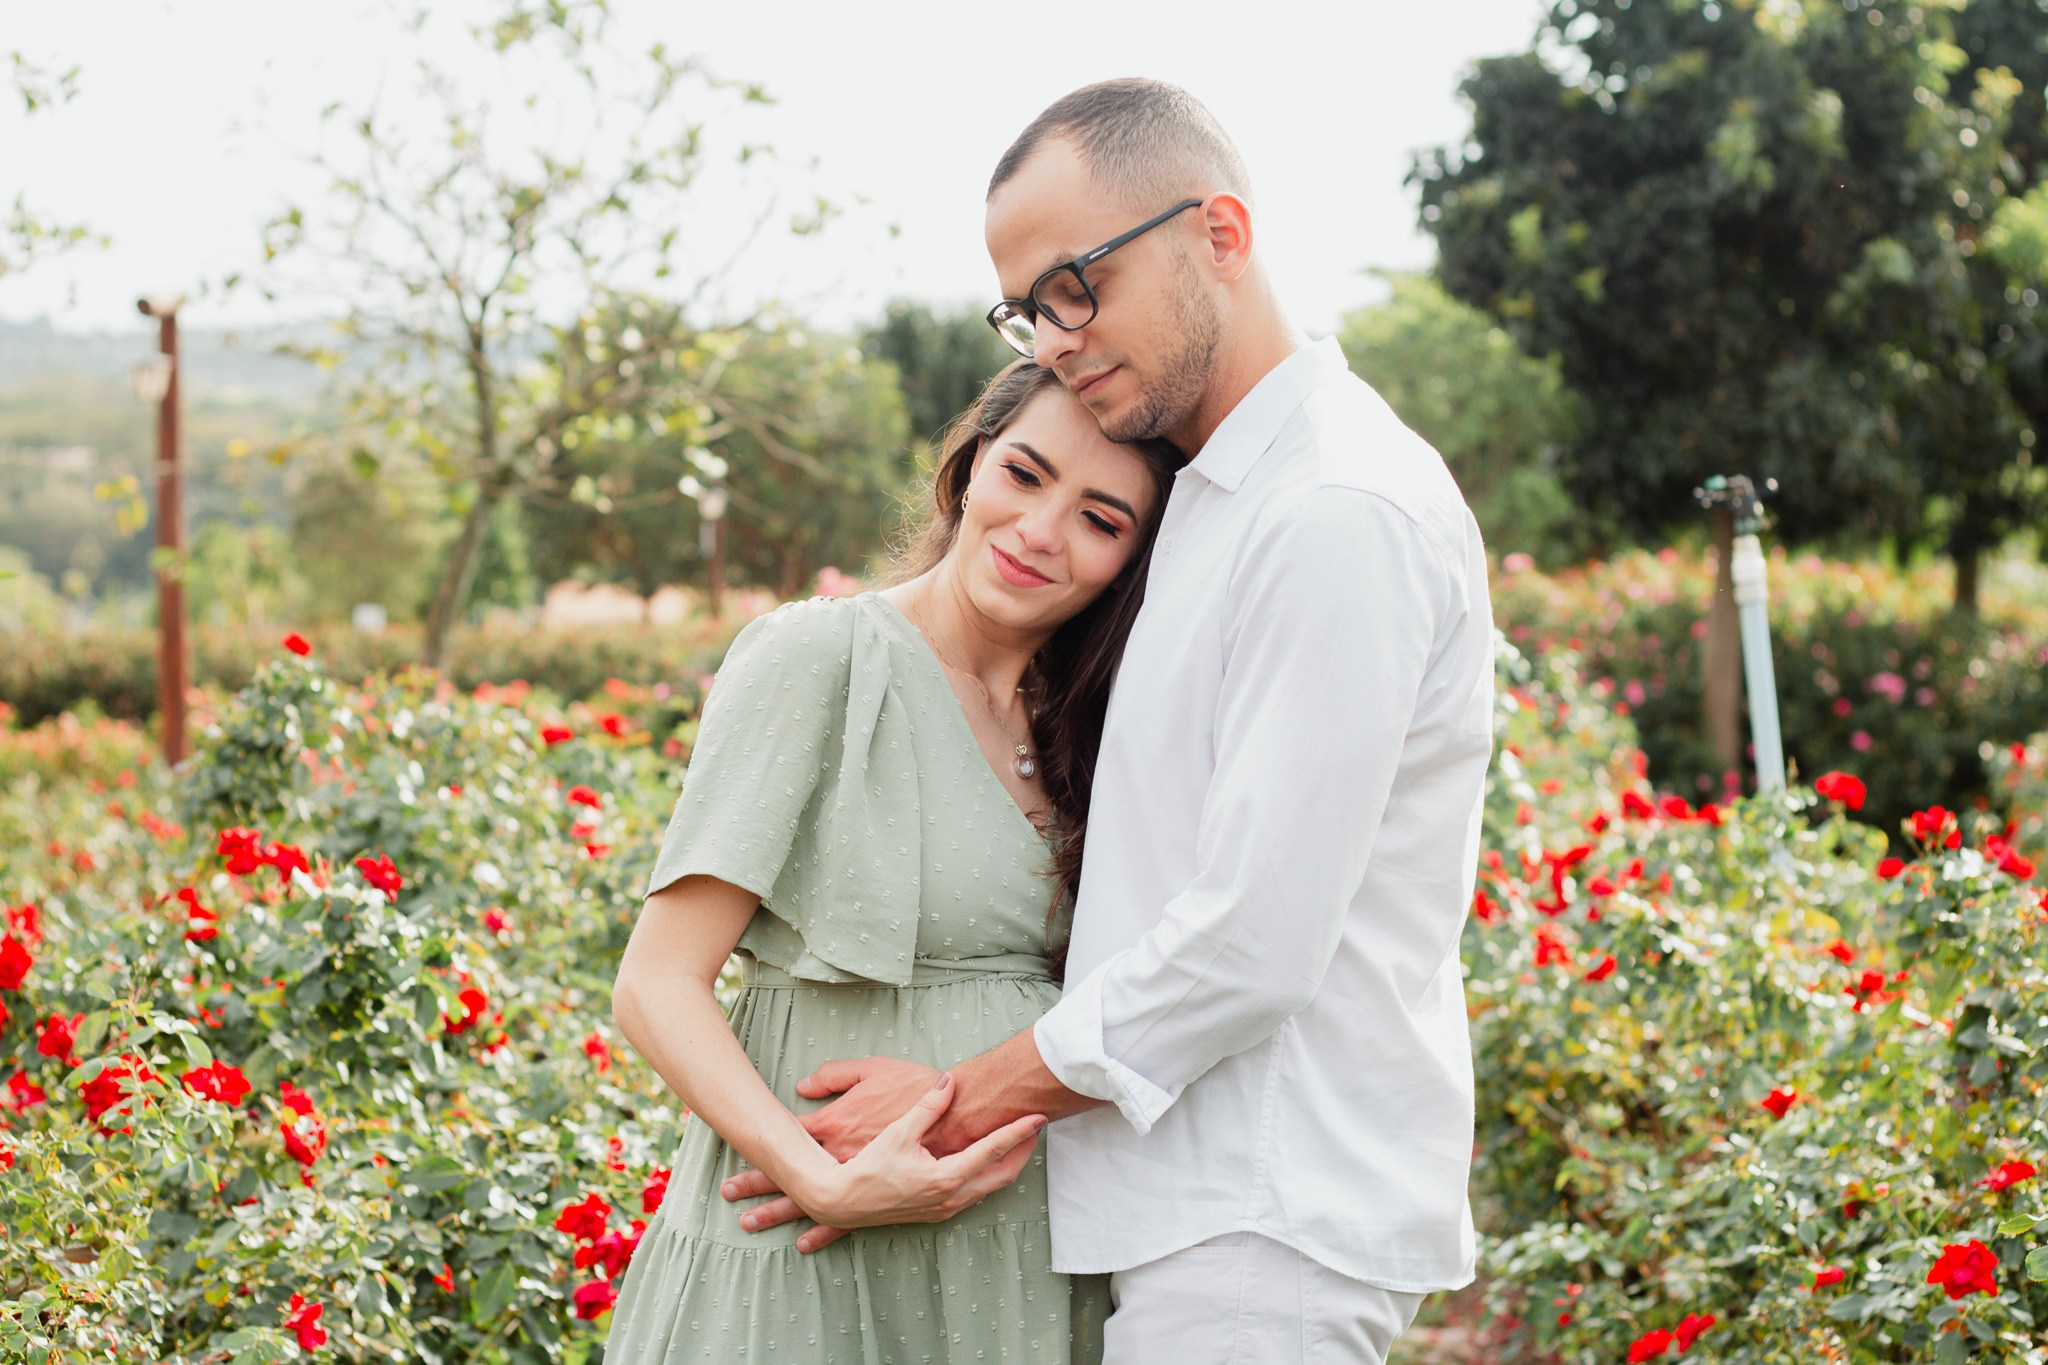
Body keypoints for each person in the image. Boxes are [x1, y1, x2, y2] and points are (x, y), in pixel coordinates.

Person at [720, 79, 1496, 1364]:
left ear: (1220, 236)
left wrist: (952, 1099)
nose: (1053, 337)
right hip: (1190, 1217)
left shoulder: (1332, 513)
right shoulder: (1217, 502)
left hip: (1261, 1221)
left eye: (1075, 284)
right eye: (1026, 306)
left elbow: (1251, 941)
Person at [603, 359, 1183, 1362]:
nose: (1039, 530)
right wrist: (825, 1180)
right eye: (1023, 474)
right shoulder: (821, 657)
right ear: (966, 472)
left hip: (1022, 1255)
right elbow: (657, 983)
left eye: (1100, 520)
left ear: (1129, 563)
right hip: (814, 1243)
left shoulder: (1091, 729)